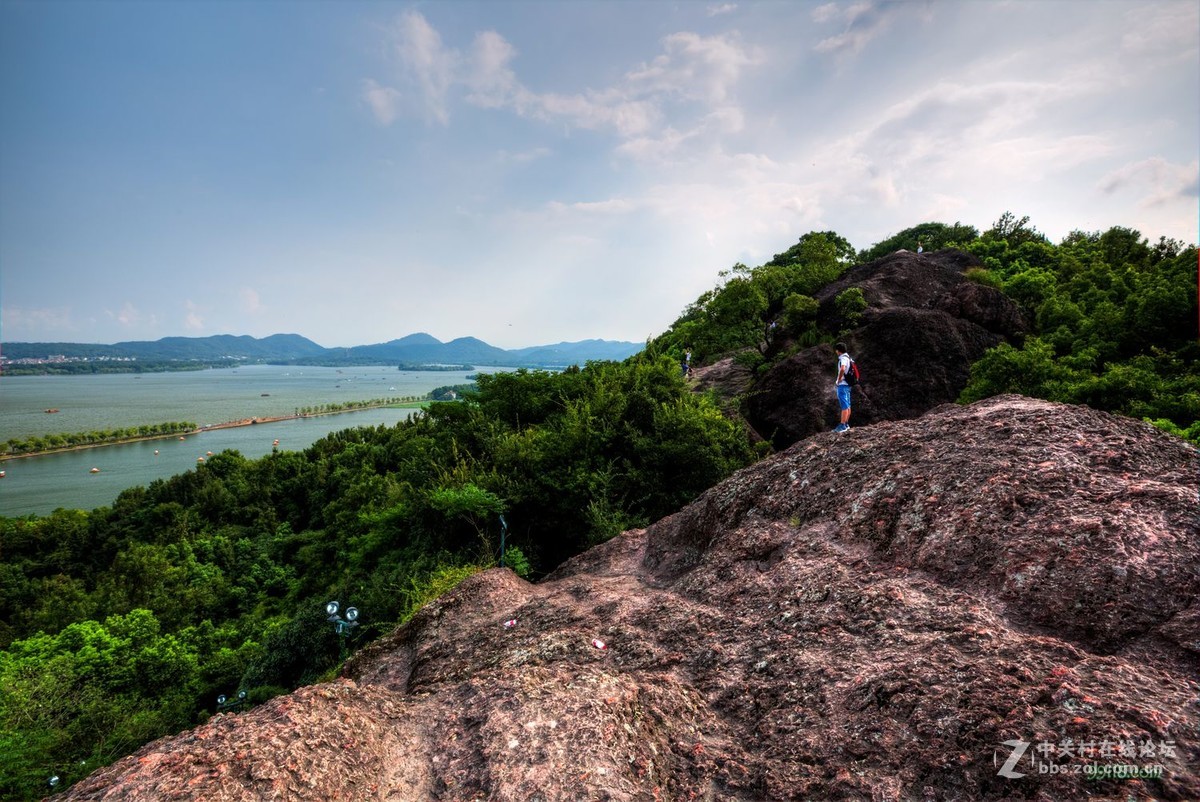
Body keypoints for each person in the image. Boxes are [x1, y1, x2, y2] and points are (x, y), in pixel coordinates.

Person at [833, 343, 852, 433]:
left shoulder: (843, 358)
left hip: (843, 384)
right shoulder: (848, 358)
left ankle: (842, 425)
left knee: (844, 405)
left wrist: (839, 379)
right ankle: (846, 424)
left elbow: (842, 369)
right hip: (848, 385)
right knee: (848, 404)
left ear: (838, 350)